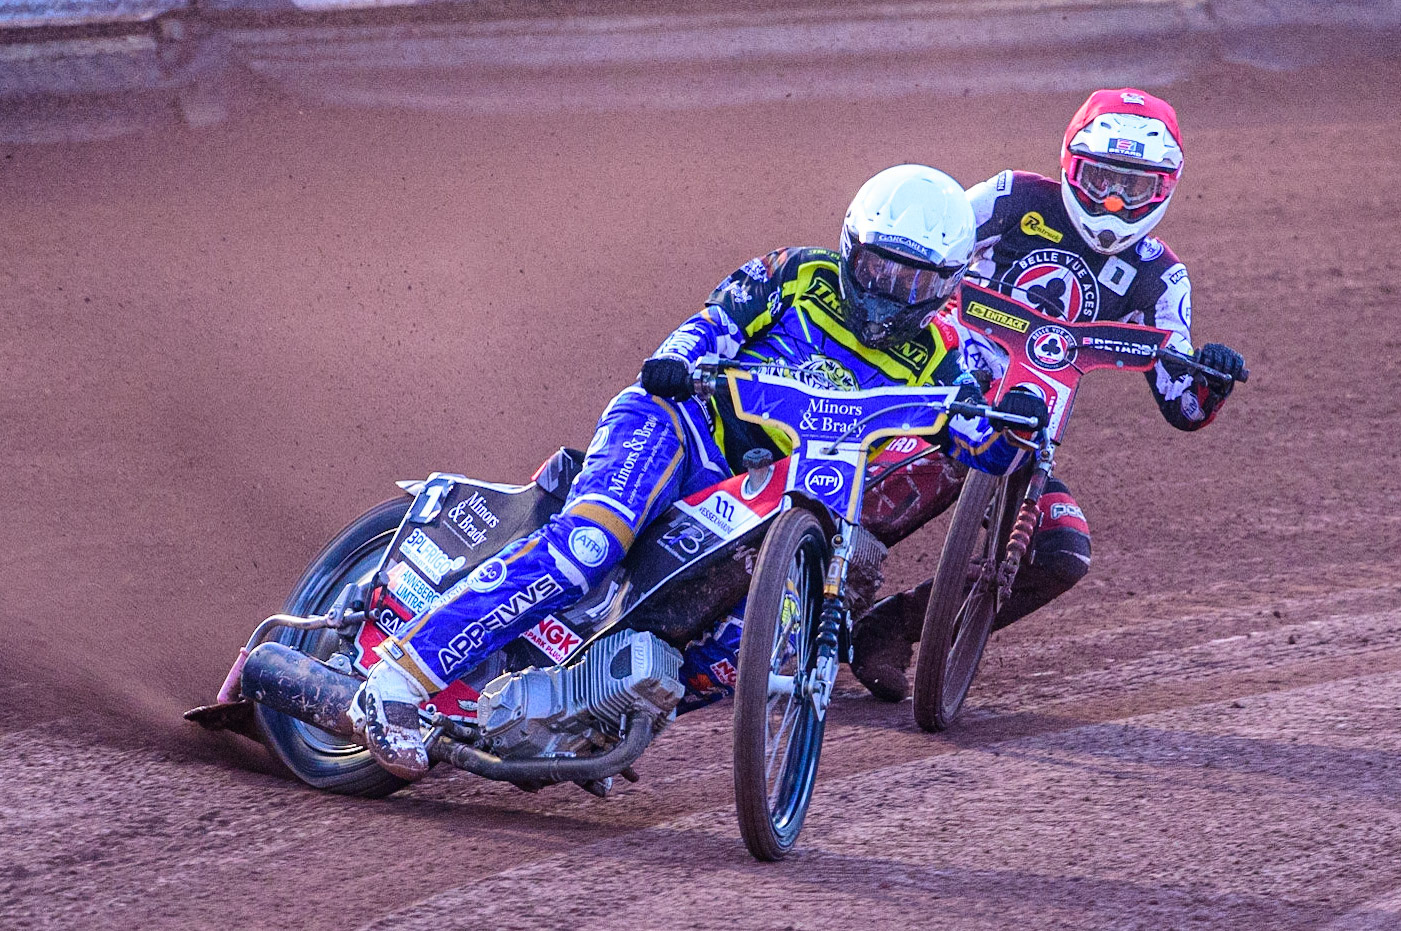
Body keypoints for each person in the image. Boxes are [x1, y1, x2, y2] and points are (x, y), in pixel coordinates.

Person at [357, 164, 1050, 778]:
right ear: (849, 248)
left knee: (745, 649)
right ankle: (397, 680)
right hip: (680, 429)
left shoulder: (943, 357)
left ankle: (590, 715)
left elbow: (978, 447)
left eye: (913, 280)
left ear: (948, 284)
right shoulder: (794, 273)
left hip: (771, 499)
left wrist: (1013, 425)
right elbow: (709, 325)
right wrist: (676, 361)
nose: (888, 293)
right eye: (876, 269)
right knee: (589, 546)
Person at [849, 88, 1250, 703]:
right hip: (926, 384)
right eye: (1101, 179)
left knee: (1062, 551)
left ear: (1164, 189)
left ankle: (888, 631)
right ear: (1069, 162)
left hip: (1031, 433)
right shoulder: (1013, 197)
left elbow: (1183, 402)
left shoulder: (1160, 276)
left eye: (1134, 187)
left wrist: (1210, 376)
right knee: (936, 460)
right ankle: (812, 565)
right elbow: (923, 247)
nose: (1114, 201)